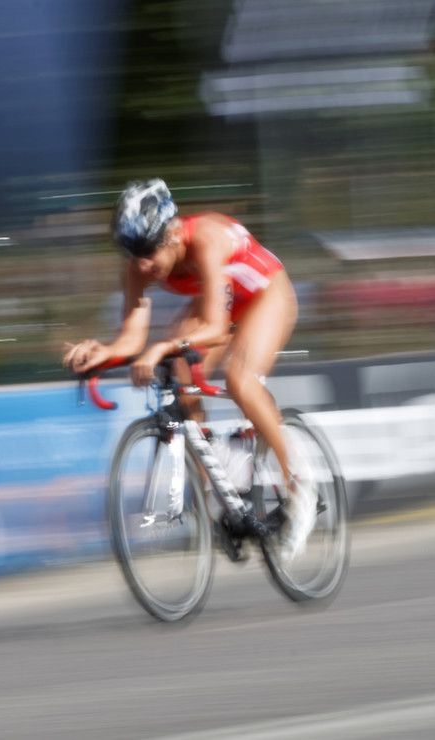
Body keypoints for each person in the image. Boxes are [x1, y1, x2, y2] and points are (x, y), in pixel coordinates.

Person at [63, 178, 316, 560]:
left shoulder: (206, 238)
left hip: (266, 295)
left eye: (148, 250)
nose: (142, 264)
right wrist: (102, 353)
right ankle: (220, 483)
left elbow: (214, 328)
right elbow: (131, 339)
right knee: (179, 372)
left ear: (172, 234)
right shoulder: (139, 266)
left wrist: (161, 347)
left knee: (240, 380)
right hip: (224, 302)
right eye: (132, 252)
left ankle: (300, 483)